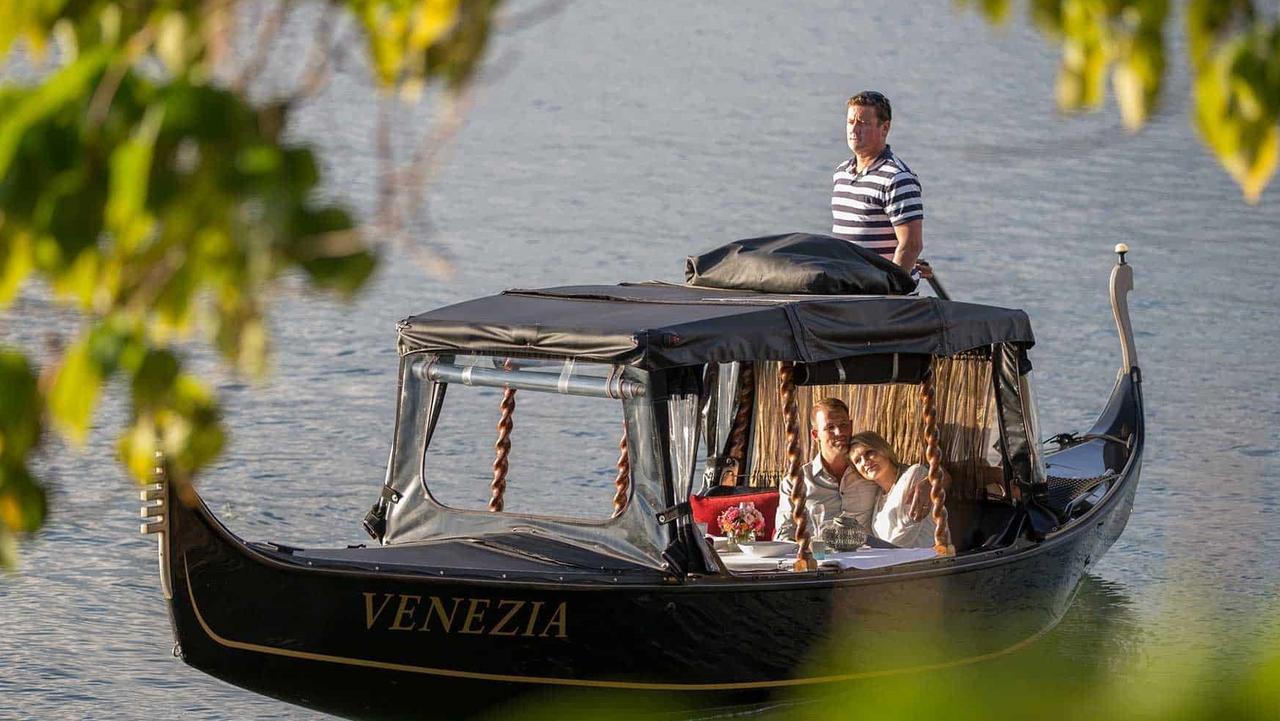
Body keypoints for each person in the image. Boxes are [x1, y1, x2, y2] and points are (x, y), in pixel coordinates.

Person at [830, 91, 925, 275]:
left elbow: (911, 245)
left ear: (885, 128)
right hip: (847, 289)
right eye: (851, 122)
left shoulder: (897, 178)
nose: (854, 129)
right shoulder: (841, 173)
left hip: (880, 298)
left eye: (863, 123)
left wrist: (892, 291)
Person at [774, 398, 880, 541]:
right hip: (819, 558)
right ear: (816, 435)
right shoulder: (796, 482)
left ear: (851, 426)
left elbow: (901, 474)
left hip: (870, 559)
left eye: (843, 424)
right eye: (830, 427)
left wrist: (922, 483)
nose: (839, 432)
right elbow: (785, 532)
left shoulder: (869, 470)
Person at [847, 430, 945, 548]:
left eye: (869, 452)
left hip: (927, 560)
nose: (865, 461)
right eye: (858, 460)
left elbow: (907, 533)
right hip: (895, 561)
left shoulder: (915, 474)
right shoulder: (879, 497)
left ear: (884, 450)